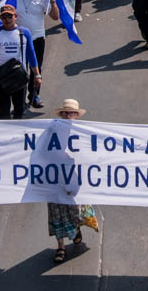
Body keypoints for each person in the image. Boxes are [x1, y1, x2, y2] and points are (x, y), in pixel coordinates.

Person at [46, 99, 97, 263]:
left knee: (76, 210)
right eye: (66, 113)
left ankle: (76, 228)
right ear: (61, 114)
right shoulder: (51, 131)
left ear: (77, 115)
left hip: (74, 179)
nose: (69, 116)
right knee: (57, 213)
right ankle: (60, 247)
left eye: (72, 113)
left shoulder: (82, 133)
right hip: (55, 179)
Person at [0, 4, 39, 120]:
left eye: (10, 16)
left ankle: (18, 136)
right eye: (4, 17)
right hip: (1, 77)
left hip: (19, 76)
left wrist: (37, 75)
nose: (7, 20)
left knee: (19, 109)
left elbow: (31, 54)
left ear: (15, 16)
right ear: (0, 19)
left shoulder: (25, 32)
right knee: (4, 111)